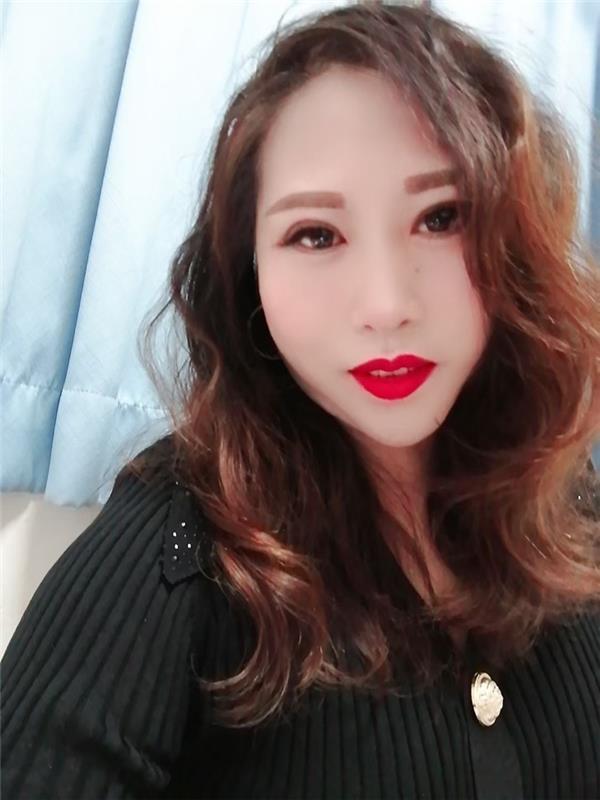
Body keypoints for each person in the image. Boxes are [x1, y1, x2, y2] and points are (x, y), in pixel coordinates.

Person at [2, 2, 600, 798]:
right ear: (248, 271)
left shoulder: (575, 503)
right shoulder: (178, 538)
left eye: (441, 217)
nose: (386, 305)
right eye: (315, 234)